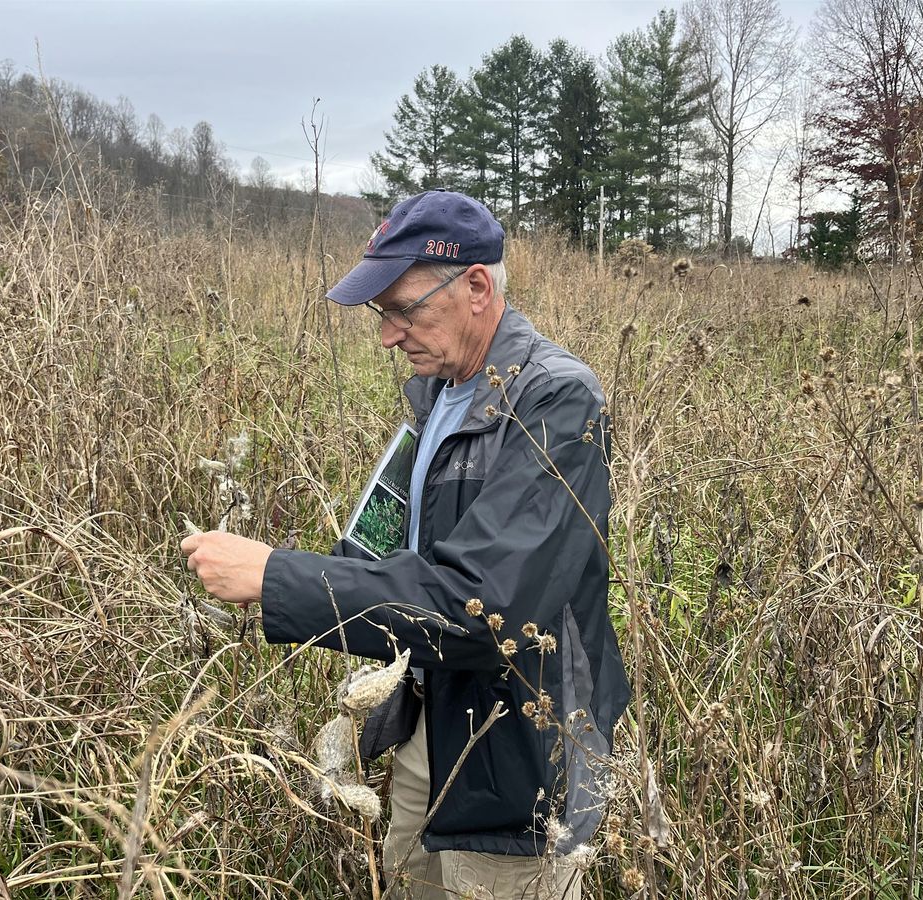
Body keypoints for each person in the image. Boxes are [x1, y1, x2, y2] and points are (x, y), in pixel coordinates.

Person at [182, 190, 630, 899]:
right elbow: (395, 545)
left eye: (403, 309)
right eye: (380, 313)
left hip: (515, 757)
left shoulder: (555, 401)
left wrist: (277, 581)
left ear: (477, 286)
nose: (389, 335)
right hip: (433, 723)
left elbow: (483, 611)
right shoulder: (441, 391)